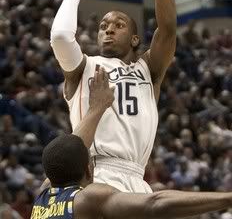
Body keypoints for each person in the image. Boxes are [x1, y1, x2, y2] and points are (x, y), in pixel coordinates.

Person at [50, 0, 176, 193]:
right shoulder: (83, 67)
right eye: (103, 25)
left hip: (137, 179)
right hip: (94, 173)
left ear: (134, 39)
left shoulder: (148, 69)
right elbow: (60, 36)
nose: (108, 28)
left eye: (118, 24)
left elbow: (167, 29)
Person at [31, 69, 232, 219]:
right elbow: (156, 203)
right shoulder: (86, 199)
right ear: (88, 170)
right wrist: (227, 198)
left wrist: (97, 109)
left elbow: (69, 149)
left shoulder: (41, 198)